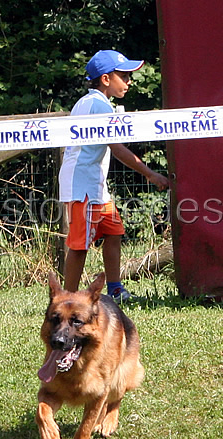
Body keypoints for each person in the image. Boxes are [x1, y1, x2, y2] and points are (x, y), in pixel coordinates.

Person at [59, 50, 169, 300]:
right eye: (124, 75)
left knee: (114, 232)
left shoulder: (92, 102)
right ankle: (67, 300)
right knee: (79, 245)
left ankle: (115, 289)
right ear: (106, 79)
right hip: (82, 186)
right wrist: (150, 174)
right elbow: (117, 148)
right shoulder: (98, 104)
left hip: (95, 186)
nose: (129, 81)